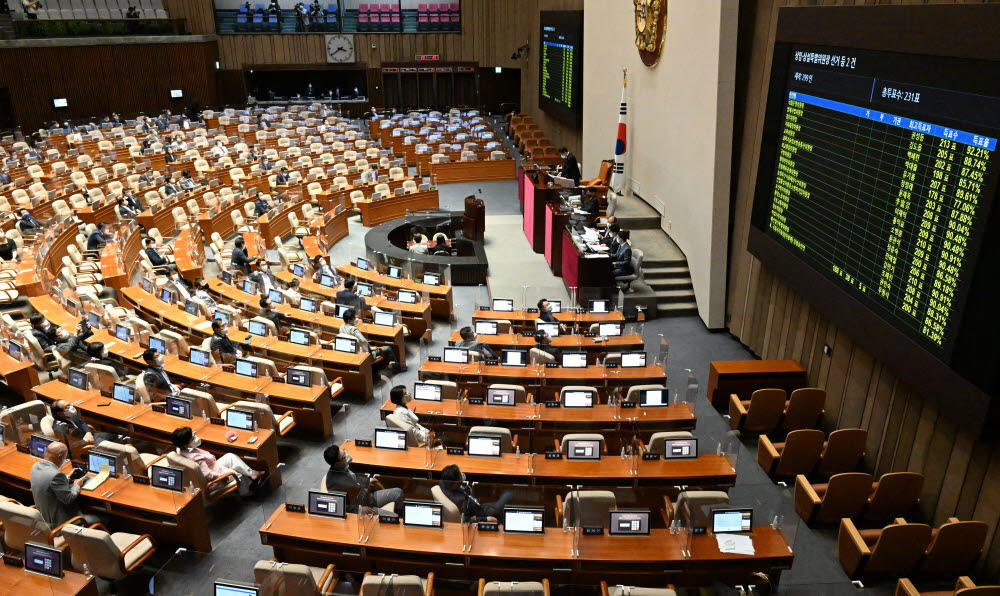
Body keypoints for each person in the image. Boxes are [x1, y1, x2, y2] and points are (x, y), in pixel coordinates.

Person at [170, 427, 264, 496]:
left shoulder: (179, 448)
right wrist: (222, 477)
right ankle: (245, 492)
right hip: (214, 477)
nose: (196, 437)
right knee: (237, 474)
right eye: (193, 437)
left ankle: (252, 473)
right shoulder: (196, 458)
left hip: (212, 465)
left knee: (230, 456)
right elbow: (209, 476)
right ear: (186, 444)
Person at [323, 444, 402, 513]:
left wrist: (366, 481)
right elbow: (339, 505)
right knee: (394, 517)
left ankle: (401, 516)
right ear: (337, 464)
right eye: (344, 457)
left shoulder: (345, 466)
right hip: (362, 508)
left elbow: (355, 479)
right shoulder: (332, 482)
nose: (347, 456)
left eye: (345, 452)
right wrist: (358, 509)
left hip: (368, 497)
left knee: (398, 493)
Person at [30, 442, 85, 526]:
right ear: (60, 457)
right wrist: (77, 485)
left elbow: (48, 482)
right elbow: (68, 498)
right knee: (102, 519)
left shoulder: (35, 466)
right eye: (65, 458)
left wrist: (65, 479)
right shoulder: (56, 475)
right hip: (58, 522)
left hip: (43, 517)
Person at [438, 464, 512, 521]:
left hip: (477, 505)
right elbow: (467, 519)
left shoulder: (443, 483)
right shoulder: (460, 501)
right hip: (480, 513)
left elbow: (458, 489)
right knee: (507, 496)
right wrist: (485, 519)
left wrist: (464, 488)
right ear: (455, 482)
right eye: (459, 475)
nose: (461, 475)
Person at [340, 308, 404, 373]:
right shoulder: (354, 330)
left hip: (352, 352)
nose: (356, 318)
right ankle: (397, 369)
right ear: (349, 321)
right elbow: (363, 341)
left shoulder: (342, 327)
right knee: (388, 348)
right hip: (363, 355)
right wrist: (370, 348)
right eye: (354, 317)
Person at [50, 400, 119, 447]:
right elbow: (73, 444)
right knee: (114, 443)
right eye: (67, 407)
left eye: (70, 404)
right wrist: (86, 439)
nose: (71, 407)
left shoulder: (70, 415)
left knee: (115, 435)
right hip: (85, 444)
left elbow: (82, 422)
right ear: (60, 413)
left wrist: (88, 432)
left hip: (90, 435)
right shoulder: (61, 428)